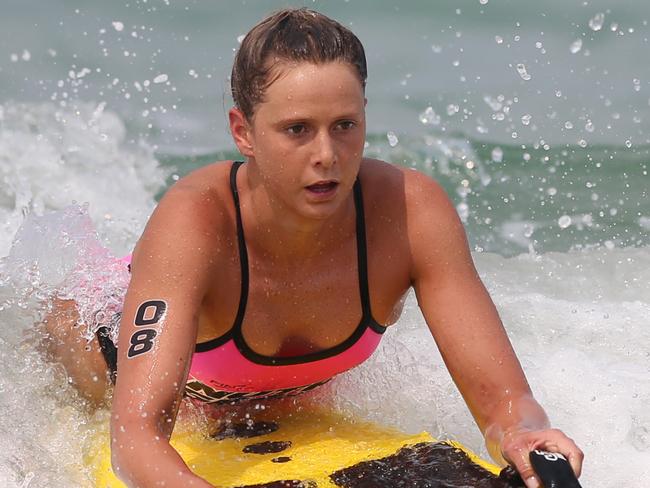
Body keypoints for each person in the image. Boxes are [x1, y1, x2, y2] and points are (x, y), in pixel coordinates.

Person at [45, 8, 583, 488]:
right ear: (244, 131)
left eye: (345, 125)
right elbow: (134, 438)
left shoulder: (411, 213)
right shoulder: (195, 222)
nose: (327, 154)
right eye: (297, 129)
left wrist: (525, 434)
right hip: (102, 351)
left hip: (272, 408)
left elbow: (506, 406)